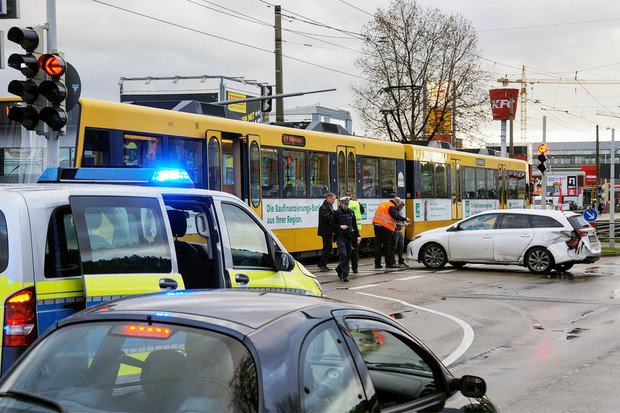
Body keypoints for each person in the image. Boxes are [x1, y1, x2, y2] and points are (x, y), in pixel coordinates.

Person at [372, 197, 408, 269]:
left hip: (376, 225)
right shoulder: (392, 207)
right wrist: (405, 219)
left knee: (377, 246)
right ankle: (389, 263)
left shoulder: (383, 204)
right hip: (385, 227)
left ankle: (377, 264)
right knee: (387, 245)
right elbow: (396, 216)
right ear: (397, 202)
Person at [331, 196, 360, 282]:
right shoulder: (336, 213)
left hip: (349, 237)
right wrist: (340, 226)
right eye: (344, 204)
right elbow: (332, 225)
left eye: (347, 204)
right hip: (340, 237)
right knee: (343, 254)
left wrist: (358, 236)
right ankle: (345, 274)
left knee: (348, 255)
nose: (346, 206)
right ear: (341, 204)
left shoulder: (351, 212)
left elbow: (355, 225)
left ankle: (339, 269)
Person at [344, 190, 364, 273]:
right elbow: (362, 211)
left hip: (347, 230)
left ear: (344, 196)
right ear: (351, 196)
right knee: (355, 250)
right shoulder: (357, 203)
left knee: (346, 250)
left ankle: (346, 267)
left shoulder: (343, 204)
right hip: (356, 230)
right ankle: (355, 268)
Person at [317, 192, 336, 272]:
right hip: (326, 231)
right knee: (327, 248)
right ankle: (322, 264)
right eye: (333, 199)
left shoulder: (329, 206)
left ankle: (324, 264)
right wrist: (335, 216)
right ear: (328, 198)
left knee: (328, 248)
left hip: (328, 231)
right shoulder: (323, 208)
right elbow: (327, 218)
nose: (334, 201)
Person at [392, 201, 411, 268]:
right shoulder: (394, 212)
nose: (401, 208)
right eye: (400, 207)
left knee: (401, 246)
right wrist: (398, 224)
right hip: (395, 231)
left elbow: (401, 218)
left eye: (402, 207)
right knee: (394, 247)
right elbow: (393, 221)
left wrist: (404, 223)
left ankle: (400, 261)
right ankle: (393, 261)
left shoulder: (400, 212)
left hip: (399, 231)